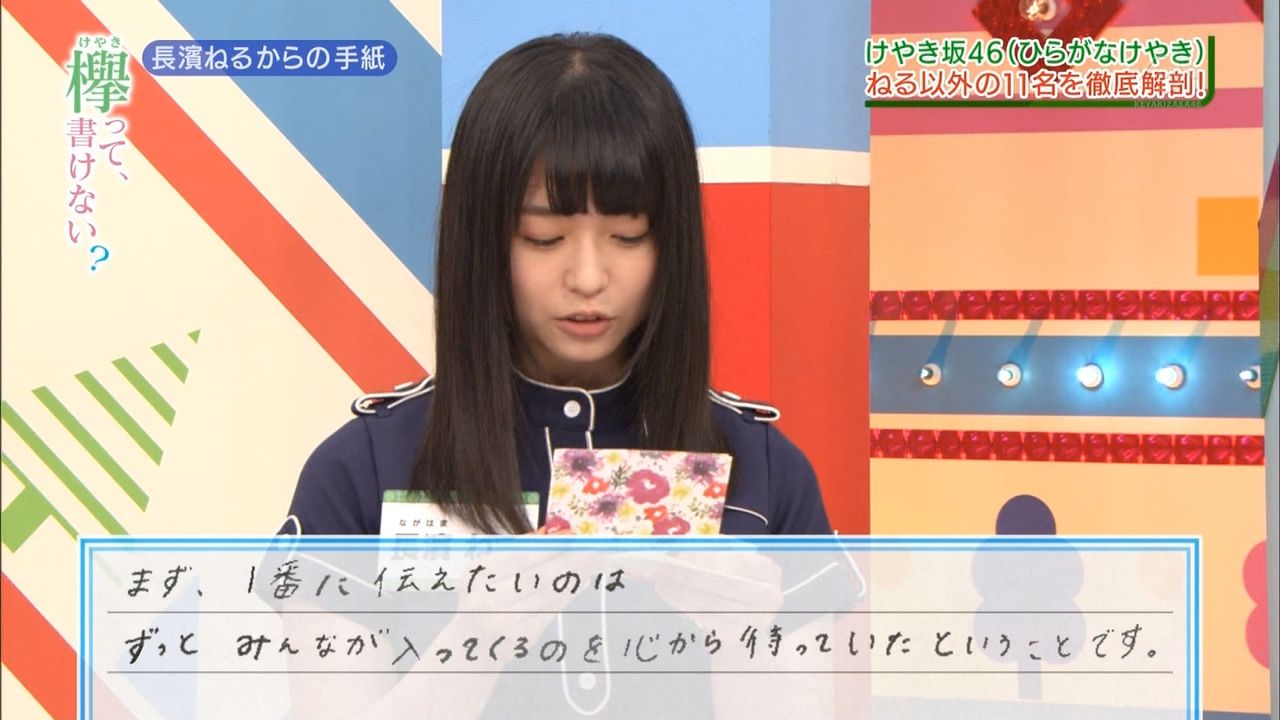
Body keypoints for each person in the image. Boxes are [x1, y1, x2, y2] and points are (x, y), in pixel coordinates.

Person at [283, 32, 831, 538]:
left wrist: (757, 616)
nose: (588, 278)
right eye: (543, 238)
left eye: (628, 235)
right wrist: (468, 615)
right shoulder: (365, 467)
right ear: (479, 242)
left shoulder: (764, 472)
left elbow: (832, 620)